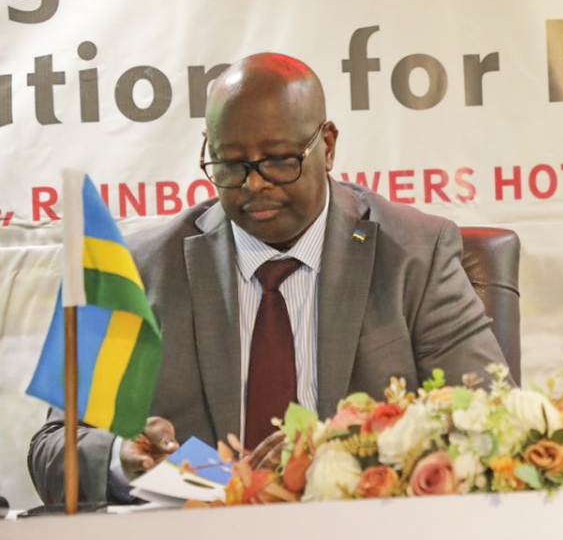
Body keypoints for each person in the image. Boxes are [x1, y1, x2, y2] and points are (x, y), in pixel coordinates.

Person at [28, 53, 508, 504]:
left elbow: (492, 419)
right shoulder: (141, 268)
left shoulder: (415, 254)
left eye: (279, 159)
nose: (254, 184)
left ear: (328, 145)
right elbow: (54, 447)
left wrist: (341, 452)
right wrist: (120, 459)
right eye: (231, 165)